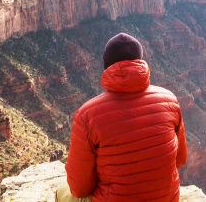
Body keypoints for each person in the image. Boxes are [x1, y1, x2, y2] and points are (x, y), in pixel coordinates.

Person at [58, 33, 188, 202]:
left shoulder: (86, 115)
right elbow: (180, 160)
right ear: (140, 61)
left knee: (62, 192)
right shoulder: (170, 100)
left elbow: (80, 189)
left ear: (106, 65)